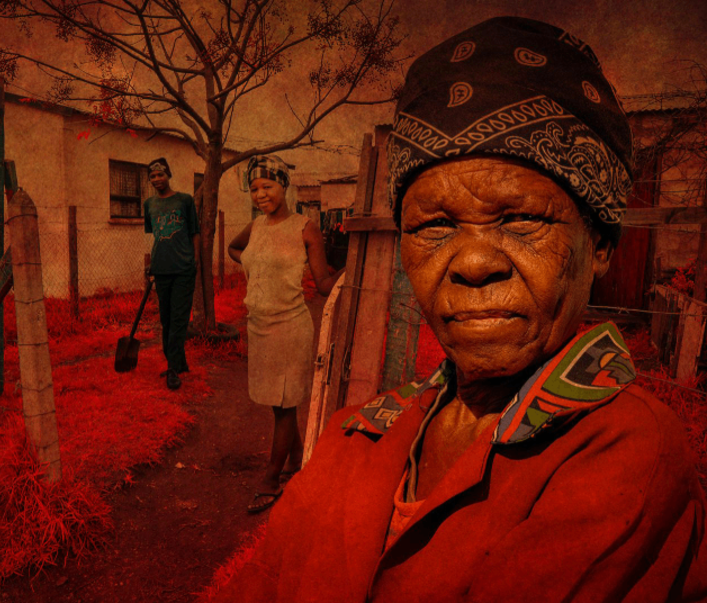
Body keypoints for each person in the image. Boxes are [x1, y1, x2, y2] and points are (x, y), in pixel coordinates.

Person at [212, 17, 707, 601]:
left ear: (598, 243)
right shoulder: (360, 433)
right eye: (434, 226)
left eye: (521, 218)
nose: (472, 263)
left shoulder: (624, 450)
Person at [228, 155, 343, 514]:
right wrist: (256, 263)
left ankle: (271, 480)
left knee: (283, 405)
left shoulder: (305, 228)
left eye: (268, 186)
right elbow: (234, 248)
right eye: (254, 189)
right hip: (259, 326)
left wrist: (352, 268)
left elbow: (323, 284)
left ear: (284, 186)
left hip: (290, 327)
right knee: (278, 403)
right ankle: (295, 458)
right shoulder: (255, 227)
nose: (260, 194)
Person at [143, 158, 200, 391]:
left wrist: (195, 261)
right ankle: (179, 363)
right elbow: (155, 235)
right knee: (166, 320)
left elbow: (194, 232)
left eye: (161, 174)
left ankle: (173, 369)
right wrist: (152, 266)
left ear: (169, 175)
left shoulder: (184, 200)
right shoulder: (149, 204)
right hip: (161, 269)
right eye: (152, 176)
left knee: (178, 320)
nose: (157, 179)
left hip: (184, 268)